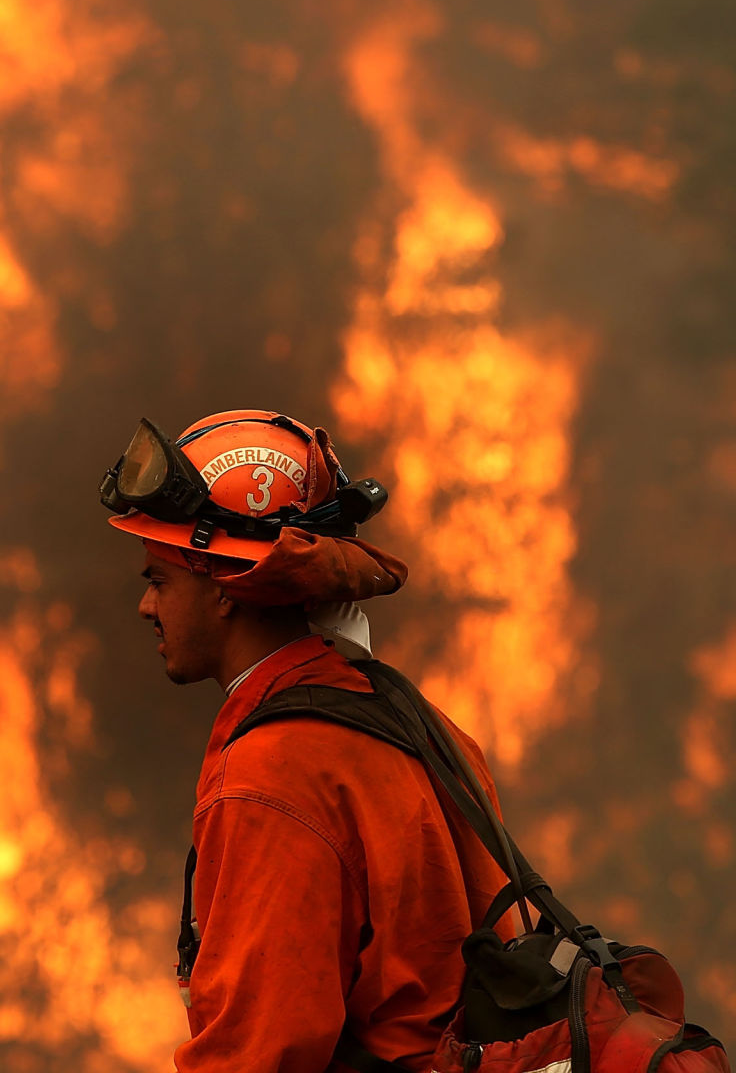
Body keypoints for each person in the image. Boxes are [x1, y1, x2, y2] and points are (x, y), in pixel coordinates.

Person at [100, 409, 516, 1073]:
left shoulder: (273, 773)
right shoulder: (430, 727)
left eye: (159, 579)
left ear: (226, 584)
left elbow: (259, 1053)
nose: (147, 607)